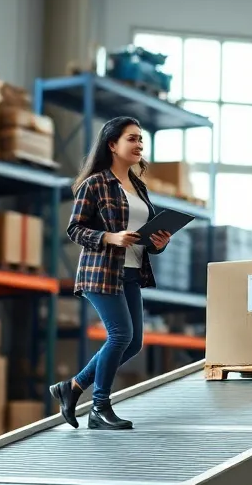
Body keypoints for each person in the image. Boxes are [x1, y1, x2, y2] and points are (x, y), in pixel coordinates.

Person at [51, 116, 171, 430]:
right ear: (112, 145)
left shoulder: (139, 187)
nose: (139, 144)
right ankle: (99, 408)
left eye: (141, 139)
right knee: (120, 336)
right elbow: (75, 229)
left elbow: (142, 235)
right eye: (132, 138)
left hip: (131, 271)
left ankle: (72, 387)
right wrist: (109, 237)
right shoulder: (95, 184)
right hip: (100, 272)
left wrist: (158, 243)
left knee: (133, 343)